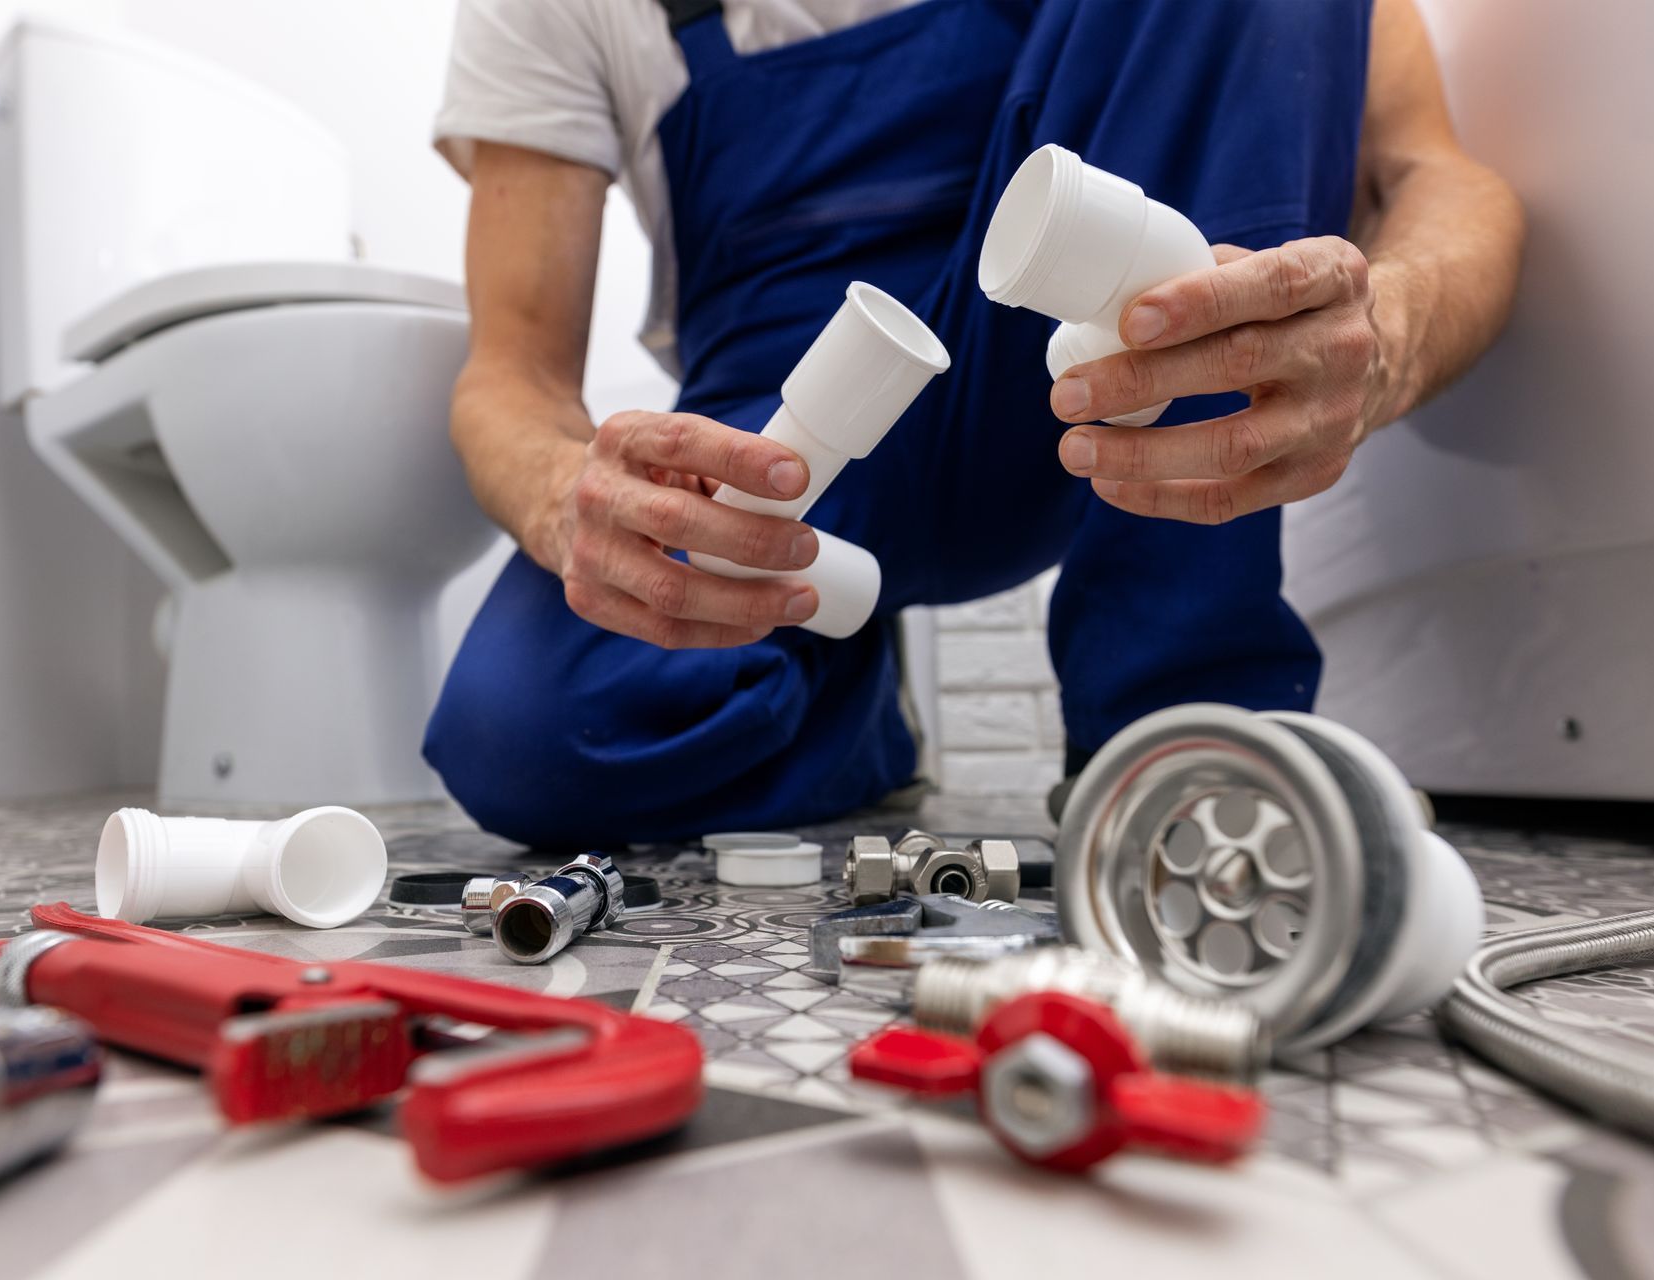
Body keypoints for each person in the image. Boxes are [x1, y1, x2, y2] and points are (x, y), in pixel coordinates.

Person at [422, 0, 1523, 846]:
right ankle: (841, 694)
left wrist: (1394, 326)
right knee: (532, 731)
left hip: (1089, 358)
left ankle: (1183, 733)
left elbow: (1430, 168)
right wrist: (573, 502)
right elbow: (510, 376)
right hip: (787, 442)